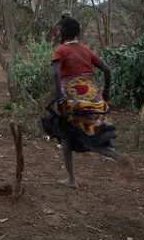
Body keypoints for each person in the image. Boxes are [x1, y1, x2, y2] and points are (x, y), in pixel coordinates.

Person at [45, 17, 134, 188]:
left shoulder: (60, 51)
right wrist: (106, 92)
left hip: (73, 99)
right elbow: (106, 69)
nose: (56, 33)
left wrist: (59, 97)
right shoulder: (85, 49)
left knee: (83, 138)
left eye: (58, 30)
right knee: (66, 136)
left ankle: (116, 157)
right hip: (93, 97)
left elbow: (56, 74)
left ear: (63, 32)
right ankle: (71, 179)